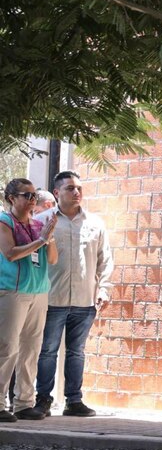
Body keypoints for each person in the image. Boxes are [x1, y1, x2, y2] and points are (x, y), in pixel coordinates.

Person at [33, 171, 114, 418]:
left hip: (84, 299)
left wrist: (104, 289)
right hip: (51, 298)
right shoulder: (42, 221)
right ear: (57, 193)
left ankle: (74, 401)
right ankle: (42, 399)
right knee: (47, 351)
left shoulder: (95, 223)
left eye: (79, 188)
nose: (76, 192)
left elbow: (105, 259)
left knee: (76, 352)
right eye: (70, 188)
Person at [0, 179, 58, 422]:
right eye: (27, 195)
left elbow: (52, 259)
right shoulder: (4, 221)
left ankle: (24, 403)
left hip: (39, 291)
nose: (33, 200)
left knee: (31, 349)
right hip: (12, 291)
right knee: (7, 347)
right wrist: (41, 240)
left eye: (35, 195)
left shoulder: (38, 225)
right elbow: (10, 253)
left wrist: (49, 238)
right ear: (12, 198)